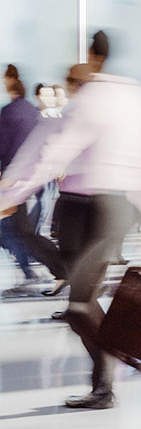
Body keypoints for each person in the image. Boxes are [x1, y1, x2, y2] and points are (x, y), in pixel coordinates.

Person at [0, 42, 141, 411]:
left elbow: (52, 154)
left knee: (79, 307)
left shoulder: (99, 101)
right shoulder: (127, 98)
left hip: (106, 210)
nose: (73, 88)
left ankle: (115, 366)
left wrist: (11, 196)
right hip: (83, 208)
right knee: (82, 305)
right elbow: (46, 152)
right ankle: (104, 385)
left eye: (74, 82)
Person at [0, 66, 64, 293]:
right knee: (21, 231)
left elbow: (5, 147)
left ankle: (46, 271)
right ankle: (34, 271)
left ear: (9, 82)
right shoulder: (32, 113)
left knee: (19, 232)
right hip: (33, 180)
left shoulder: (10, 112)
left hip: (17, 181)